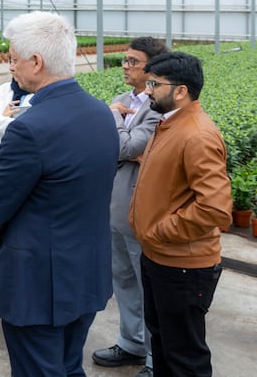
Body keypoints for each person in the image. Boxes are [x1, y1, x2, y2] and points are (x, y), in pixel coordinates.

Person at [0, 11, 119, 376]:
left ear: (36, 62)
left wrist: (22, 244)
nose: (12, 68)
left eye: (13, 59)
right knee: (69, 365)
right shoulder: (102, 114)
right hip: (86, 275)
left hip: (37, 285)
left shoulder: (29, 128)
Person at [130, 51, 232, 377]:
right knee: (163, 345)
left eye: (154, 84)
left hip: (182, 266)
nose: (147, 90)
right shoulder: (171, 124)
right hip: (160, 258)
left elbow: (214, 208)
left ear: (180, 91)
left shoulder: (197, 134)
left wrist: (159, 231)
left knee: (185, 358)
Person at [92, 37, 167, 377]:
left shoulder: (158, 107)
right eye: (124, 60)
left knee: (148, 283)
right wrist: (118, 131)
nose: (125, 66)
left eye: (132, 62)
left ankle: (155, 358)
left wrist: (115, 122)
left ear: (151, 68)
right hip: (114, 204)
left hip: (142, 208)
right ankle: (131, 341)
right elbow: (108, 147)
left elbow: (129, 146)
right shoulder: (120, 101)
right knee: (122, 277)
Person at [0, 77, 32, 192]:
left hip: (24, 164)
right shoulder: (4, 89)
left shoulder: (40, 92)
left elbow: (34, 128)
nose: (12, 66)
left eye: (16, 61)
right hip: (0, 159)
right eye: (11, 61)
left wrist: (4, 118)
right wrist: (21, 123)